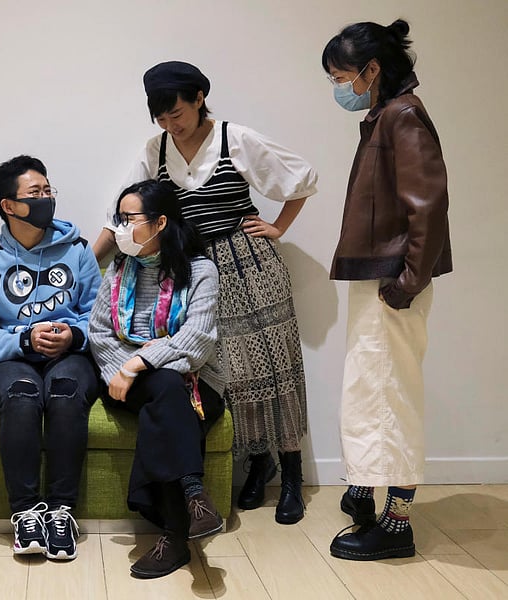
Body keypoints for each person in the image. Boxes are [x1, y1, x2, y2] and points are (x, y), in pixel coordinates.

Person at [93, 61, 318, 524]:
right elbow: (120, 214)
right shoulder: (154, 149)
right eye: (161, 117)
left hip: (247, 264)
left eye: (177, 112)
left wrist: (278, 227)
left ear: (199, 98)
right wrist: (82, 267)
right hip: (189, 268)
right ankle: (258, 465)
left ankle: (290, 473)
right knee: (224, 376)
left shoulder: (235, 138)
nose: (171, 124)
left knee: (273, 368)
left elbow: (301, 179)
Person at [322, 19, 451, 561]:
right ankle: (367, 489)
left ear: (372, 70)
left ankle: (398, 525)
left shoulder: (403, 116)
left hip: (393, 279)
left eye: (342, 76)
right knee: (370, 389)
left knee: (387, 396)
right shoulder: (385, 115)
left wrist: (408, 282)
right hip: (381, 275)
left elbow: (429, 206)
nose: (338, 89)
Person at [0, 155, 101, 561]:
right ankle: (25, 512)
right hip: (11, 359)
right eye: (35, 193)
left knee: (64, 390)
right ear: (9, 206)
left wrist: (73, 334)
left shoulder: (78, 249)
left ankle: (61, 512)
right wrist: (25, 340)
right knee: (23, 395)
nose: (46, 199)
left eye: (48, 191)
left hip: (71, 354)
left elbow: (99, 317)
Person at [89, 179, 226, 579]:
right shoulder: (118, 267)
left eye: (129, 219)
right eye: (119, 219)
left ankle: (175, 536)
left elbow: (196, 340)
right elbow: (99, 334)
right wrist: (128, 369)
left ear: (160, 222)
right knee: (165, 388)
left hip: (195, 379)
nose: (120, 228)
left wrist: (140, 364)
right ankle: (193, 494)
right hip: (123, 381)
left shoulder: (201, 271)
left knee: (166, 392)